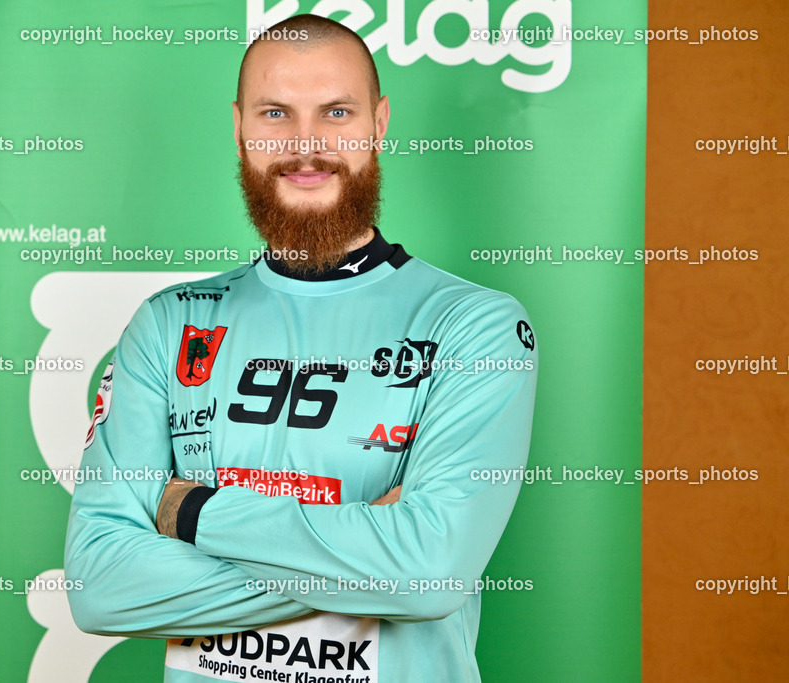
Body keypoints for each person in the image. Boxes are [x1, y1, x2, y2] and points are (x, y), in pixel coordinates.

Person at [65, 13, 537, 681]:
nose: (306, 143)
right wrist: (364, 553)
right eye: (276, 113)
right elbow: (99, 585)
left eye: (337, 112)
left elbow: (429, 574)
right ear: (239, 130)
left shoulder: (475, 327)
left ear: (379, 123)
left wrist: (191, 509)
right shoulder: (169, 324)